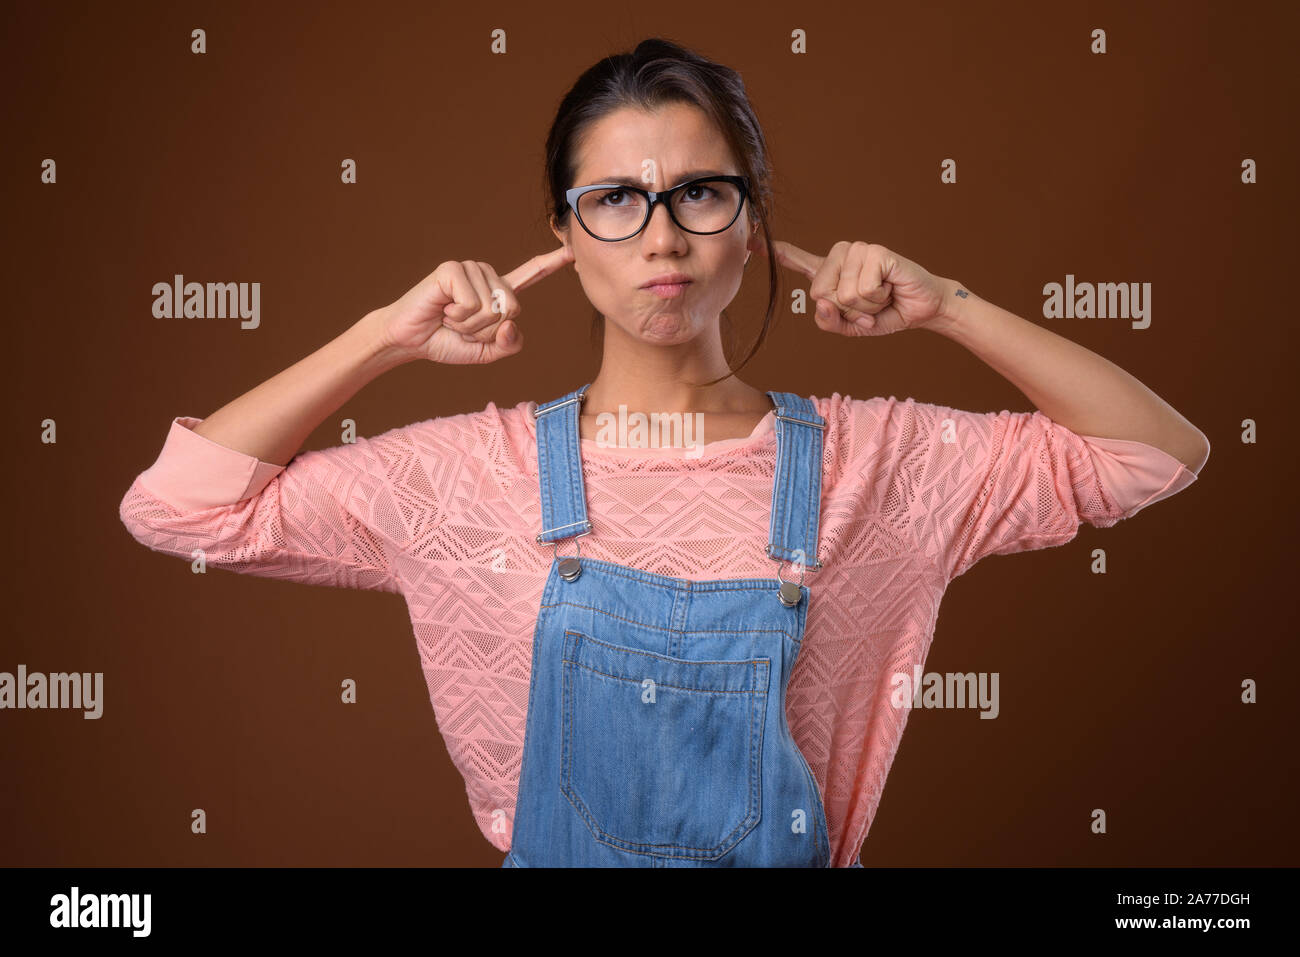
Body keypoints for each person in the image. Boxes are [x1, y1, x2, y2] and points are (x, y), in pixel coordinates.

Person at [118, 37, 1209, 867]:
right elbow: (179, 508)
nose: (661, 235)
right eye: (614, 201)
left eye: (698, 191)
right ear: (561, 234)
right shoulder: (464, 476)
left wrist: (950, 309)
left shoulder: (877, 462)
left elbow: (1153, 453)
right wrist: (378, 337)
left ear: (750, 217)